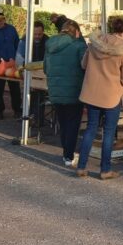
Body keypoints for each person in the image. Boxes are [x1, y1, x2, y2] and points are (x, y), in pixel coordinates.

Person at [77, 17, 123, 179]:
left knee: (90, 129)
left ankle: (81, 166)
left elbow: (83, 65)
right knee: (108, 133)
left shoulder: (95, 43)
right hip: (111, 96)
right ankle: (105, 170)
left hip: (91, 93)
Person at [43, 19, 86, 172]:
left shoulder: (49, 45)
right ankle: (68, 156)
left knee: (62, 122)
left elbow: (45, 69)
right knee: (73, 124)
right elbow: (85, 67)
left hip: (55, 91)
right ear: (76, 32)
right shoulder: (79, 46)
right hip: (74, 91)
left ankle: (66, 154)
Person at [16, 20, 49, 123]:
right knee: (28, 95)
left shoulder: (48, 41)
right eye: (35, 34)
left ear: (43, 32)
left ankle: (38, 119)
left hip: (43, 73)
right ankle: (28, 117)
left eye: (40, 34)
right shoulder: (24, 41)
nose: (37, 36)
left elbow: (49, 57)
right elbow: (19, 57)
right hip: (28, 72)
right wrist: (22, 69)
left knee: (40, 96)